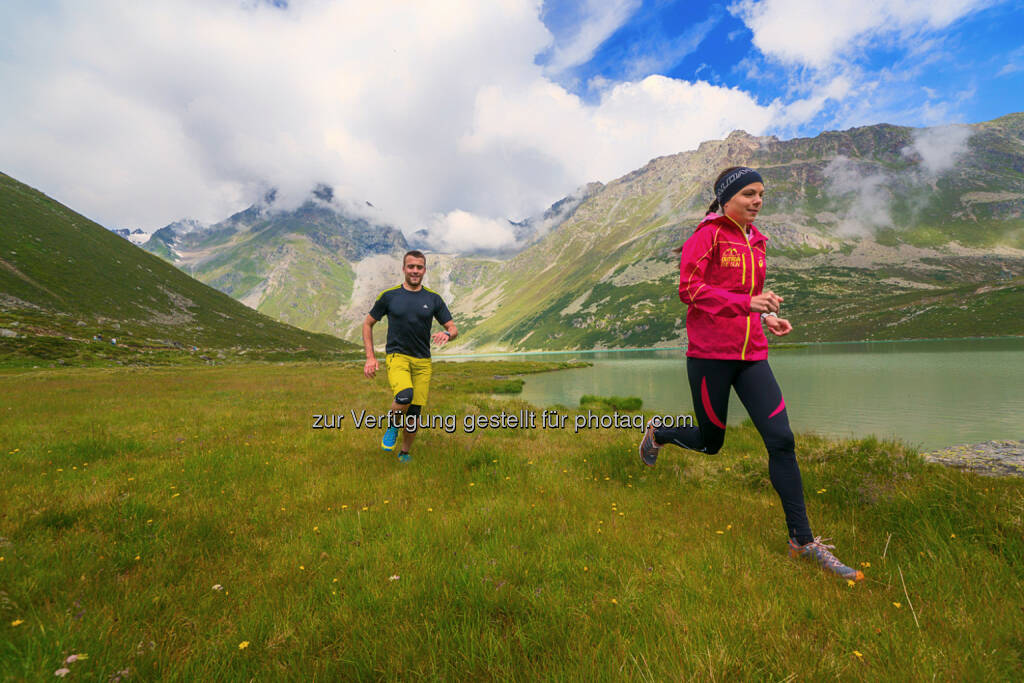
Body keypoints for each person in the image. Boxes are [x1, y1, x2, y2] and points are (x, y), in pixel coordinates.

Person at [638, 166, 864, 582]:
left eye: (761, 194)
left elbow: (749, 297)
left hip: (752, 355)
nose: (758, 201)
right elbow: (689, 289)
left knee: (781, 440)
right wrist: (747, 306)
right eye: (749, 194)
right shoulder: (705, 237)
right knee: (711, 443)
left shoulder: (757, 241)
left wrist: (770, 317)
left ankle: (802, 541)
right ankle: (660, 433)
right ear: (726, 198)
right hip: (710, 356)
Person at [363, 250, 457, 462]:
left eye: (419, 267)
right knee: (404, 395)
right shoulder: (389, 296)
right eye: (411, 266)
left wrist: (447, 333)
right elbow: (368, 323)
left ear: (424, 270)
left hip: (423, 362)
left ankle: (404, 453)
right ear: (404, 269)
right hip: (398, 357)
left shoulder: (433, 299)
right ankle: (393, 426)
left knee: (414, 413)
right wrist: (370, 357)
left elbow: (453, 328)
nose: (415, 271)